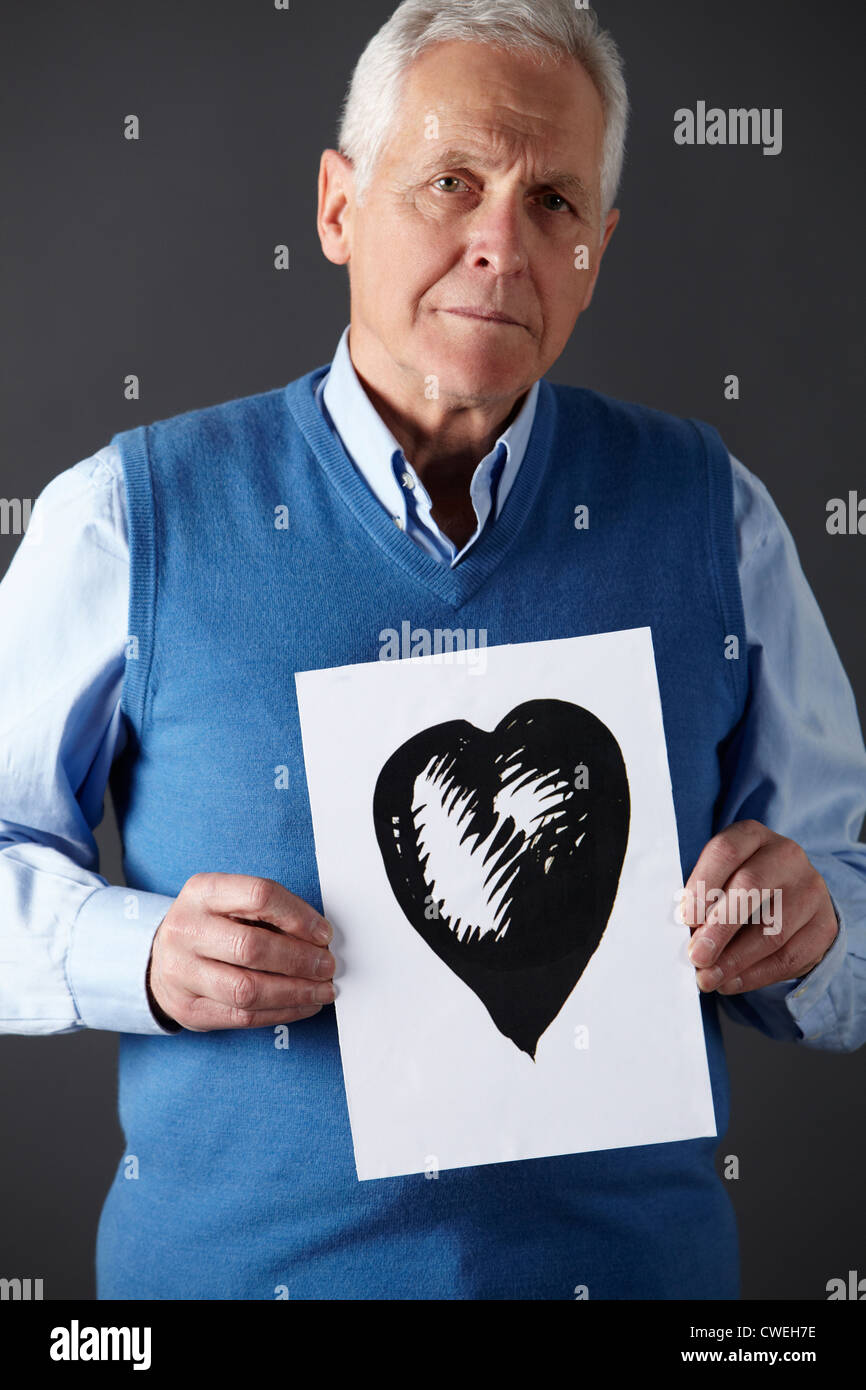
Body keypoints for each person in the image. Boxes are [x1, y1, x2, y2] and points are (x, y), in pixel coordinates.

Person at [1, 0, 864, 1300]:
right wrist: (138, 957)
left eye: (555, 205)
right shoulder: (126, 516)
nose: (500, 247)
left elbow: (848, 884)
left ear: (597, 251)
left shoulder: (713, 514)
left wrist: (812, 932)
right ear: (338, 207)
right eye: (451, 181)